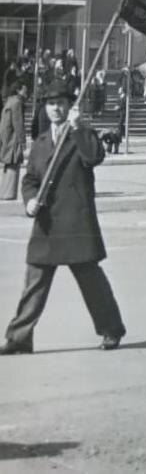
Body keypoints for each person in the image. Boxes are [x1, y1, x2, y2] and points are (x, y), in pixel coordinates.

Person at [1, 81, 126, 355]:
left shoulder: (82, 133)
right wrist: (30, 200)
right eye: (50, 104)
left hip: (76, 222)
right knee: (34, 285)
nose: (55, 109)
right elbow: (30, 179)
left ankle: (111, 330)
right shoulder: (42, 141)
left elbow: (93, 157)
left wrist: (79, 127)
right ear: (45, 108)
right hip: (46, 223)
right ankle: (19, 337)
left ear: (70, 106)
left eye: (60, 103)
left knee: (92, 283)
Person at [0, 81, 27, 200]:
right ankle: (9, 193)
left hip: (7, 138)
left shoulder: (10, 101)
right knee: (13, 162)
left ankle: (4, 191)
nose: (26, 92)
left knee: (8, 163)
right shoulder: (17, 103)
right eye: (24, 90)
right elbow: (18, 123)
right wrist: (23, 140)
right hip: (13, 139)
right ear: (18, 90)